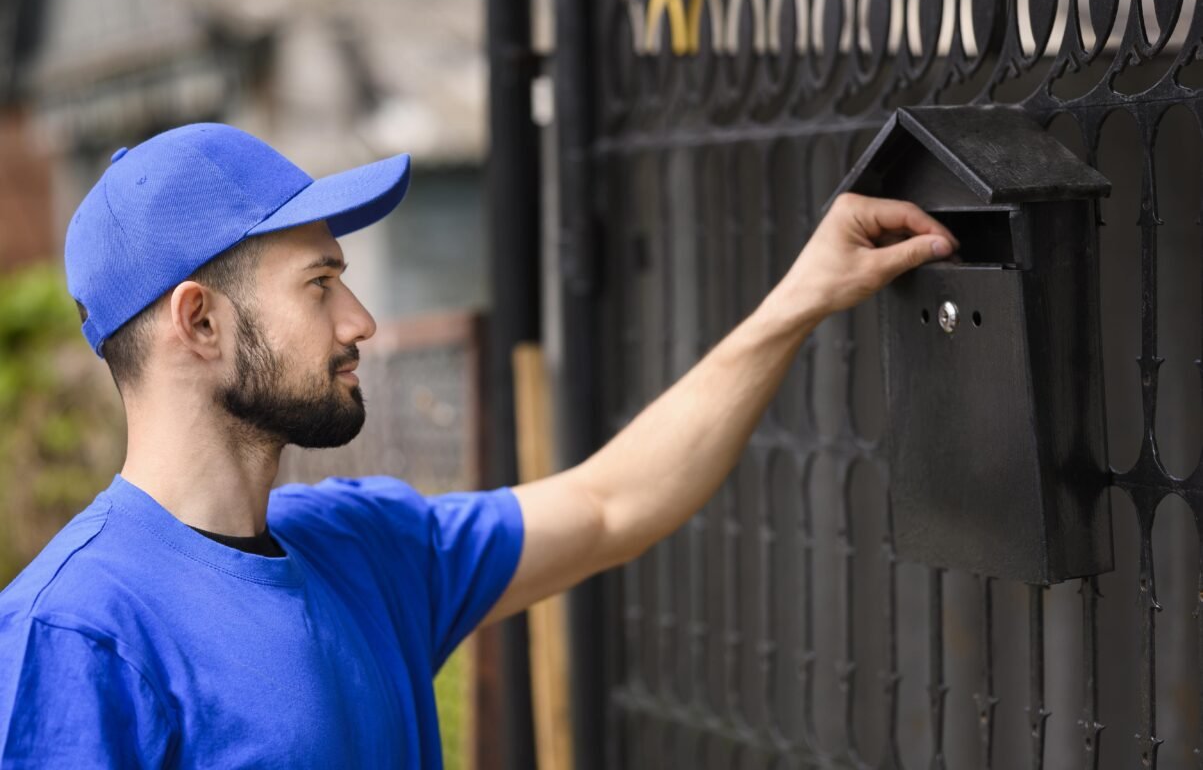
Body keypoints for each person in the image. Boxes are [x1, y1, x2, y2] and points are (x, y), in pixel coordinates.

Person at [0, 123, 958, 768]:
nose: (361, 320)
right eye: (321, 283)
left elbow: (610, 504)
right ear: (200, 324)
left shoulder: (366, 548)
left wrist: (800, 299)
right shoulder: (75, 638)